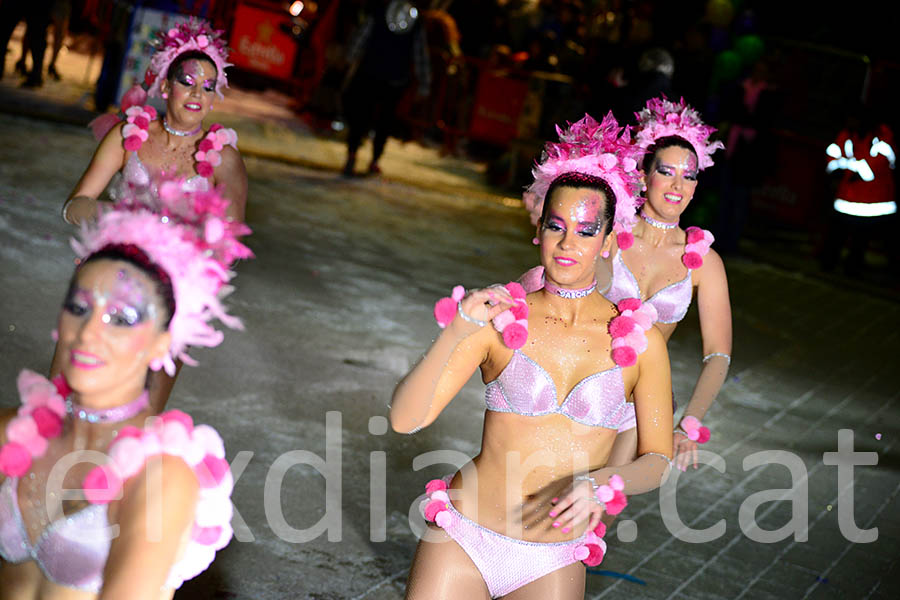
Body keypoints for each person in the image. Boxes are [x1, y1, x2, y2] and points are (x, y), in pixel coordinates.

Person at [391, 113, 673, 599]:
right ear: (538, 230)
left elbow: (658, 460)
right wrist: (457, 329)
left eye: (586, 231)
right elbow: (404, 420)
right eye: (556, 226)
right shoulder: (502, 319)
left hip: (552, 559)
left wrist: (605, 482)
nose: (568, 243)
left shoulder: (641, 343)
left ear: (608, 242)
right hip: (464, 538)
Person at [0, 177, 248, 598]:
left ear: (162, 343)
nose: (89, 332)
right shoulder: (12, 431)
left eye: (122, 317)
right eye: (79, 308)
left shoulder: (161, 475)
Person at [56, 19, 248, 412]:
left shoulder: (224, 159)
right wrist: (126, 220)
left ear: (214, 98)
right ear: (165, 87)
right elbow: (75, 205)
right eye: (187, 81)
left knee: (143, 414)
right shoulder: (127, 135)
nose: (196, 93)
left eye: (207, 86)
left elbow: (228, 243)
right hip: (112, 275)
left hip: (174, 294)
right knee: (68, 395)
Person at [341, 0, 430, 176]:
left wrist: (350, 57)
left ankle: (353, 153)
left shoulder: (379, 10)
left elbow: (362, 36)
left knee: (363, 115)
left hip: (370, 73)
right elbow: (421, 54)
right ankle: (374, 159)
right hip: (394, 79)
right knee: (384, 121)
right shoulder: (415, 20)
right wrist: (424, 83)